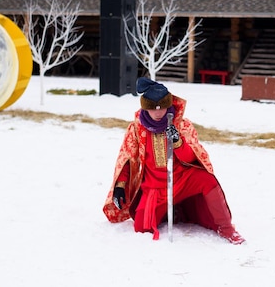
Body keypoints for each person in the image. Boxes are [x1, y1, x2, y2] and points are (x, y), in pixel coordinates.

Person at [103, 77, 245, 245]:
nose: (158, 113)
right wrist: (120, 185)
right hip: (154, 188)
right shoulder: (136, 128)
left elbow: (193, 157)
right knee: (142, 227)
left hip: (182, 179)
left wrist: (178, 142)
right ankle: (174, 211)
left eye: (162, 108)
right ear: (145, 107)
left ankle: (227, 228)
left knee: (207, 180)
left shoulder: (182, 125)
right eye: (153, 109)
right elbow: (127, 156)